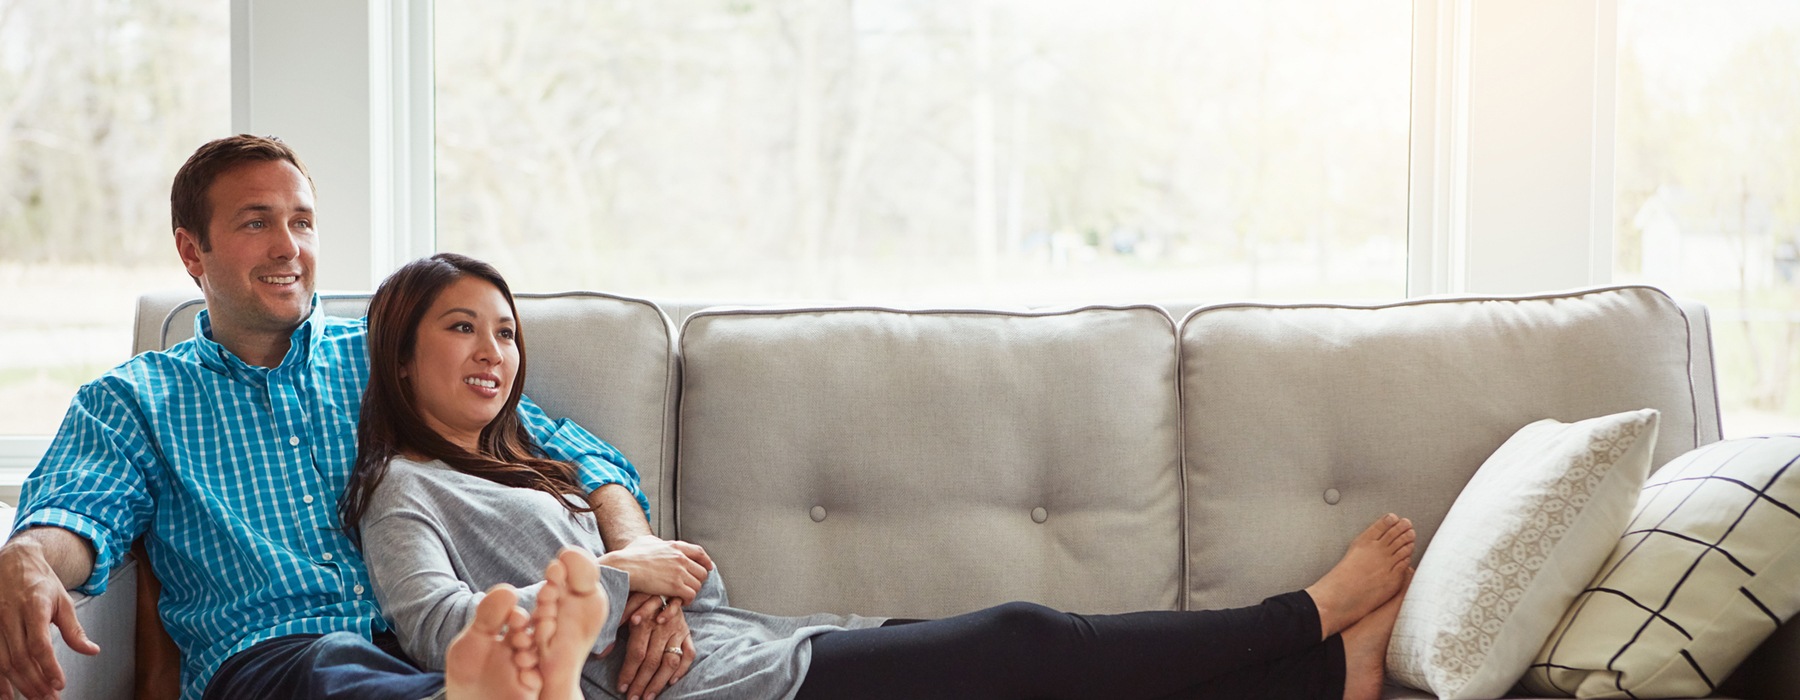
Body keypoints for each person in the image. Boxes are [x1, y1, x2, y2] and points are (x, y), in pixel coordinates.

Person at [348, 252, 1420, 700]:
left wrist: (647, 592)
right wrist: (629, 582)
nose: (494, 350)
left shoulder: (542, 467)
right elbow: (440, 632)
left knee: (1029, 674)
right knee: (1024, 638)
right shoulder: (407, 490)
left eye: (504, 330)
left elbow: (676, 573)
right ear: (401, 356)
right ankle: (1306, 617)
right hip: (735, 689)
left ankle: (1325, 678)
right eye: (460, 329)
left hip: (753, 645)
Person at [0, 135, 706, 700]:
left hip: (428, 651)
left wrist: (638, 564)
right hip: (277, 660)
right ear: (193, 251)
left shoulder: (386, 356)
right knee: (340, 667)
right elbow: (77, 514)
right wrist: (28, 554)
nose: (289, 247)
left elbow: (577, 454)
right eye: (257, 223)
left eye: (301, 222)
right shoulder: (135, 400)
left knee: (468, 674)